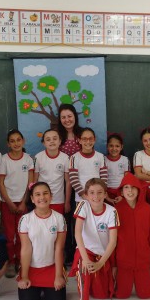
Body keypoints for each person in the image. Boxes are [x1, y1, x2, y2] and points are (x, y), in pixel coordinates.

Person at [70, 178, 119, 300]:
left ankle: (91, 282)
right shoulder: (83, 205)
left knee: (102, 294)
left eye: (99, 192)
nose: (95, 196)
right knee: (84, 267)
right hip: (85, 250)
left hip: (101, 255)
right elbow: (77, 233)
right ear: (86, 195)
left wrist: (101, 263)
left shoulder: (112, 211)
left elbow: (113, 241)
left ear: (105, 194)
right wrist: (85, 259)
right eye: (91, 193)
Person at [17, 182, 67, 300]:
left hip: (52, 267)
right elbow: (26, 249)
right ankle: (38, 290)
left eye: (45, 193)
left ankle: (46, 290)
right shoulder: (25, 219)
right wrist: (24, 276)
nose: (42, 197)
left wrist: (58, 276)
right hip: (31, 268)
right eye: (37, 194)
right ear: (32, 199)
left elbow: (59, 249)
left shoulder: (59, 218)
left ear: (51, 196)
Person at [113, 172, 150, 299]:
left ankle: (149, 279)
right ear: (121, 192)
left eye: (133, 187)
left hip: (143, 261)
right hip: (123, 262)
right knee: (121, 295)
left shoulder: (147, 209)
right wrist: (114, 265)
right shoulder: (116, 210)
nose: (130, 191)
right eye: (126, 187)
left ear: (138, 190)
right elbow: (112, 241)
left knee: (146, 295)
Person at [0, 129, 34, 278]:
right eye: (12, 141)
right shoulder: (4, 159)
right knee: (8, 235)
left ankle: (20, 259)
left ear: (23, 141)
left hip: (22, 203)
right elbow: (1, 183)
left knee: (21, 234)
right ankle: (10, 261)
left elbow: (30, 183)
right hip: (7, 203)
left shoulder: (28, 159)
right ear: (8, 144)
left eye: (18, 140)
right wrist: (9, 203)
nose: (16, 143)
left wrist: (24, 202)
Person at [57, 104, 82, 264]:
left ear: (75, 116)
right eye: (63, 117)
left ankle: (81, 251)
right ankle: (68, 252)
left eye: (69, 116)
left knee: (79, 219)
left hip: (81, 184)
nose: (67, 120)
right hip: (63, 185)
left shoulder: (82, 134)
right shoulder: (57, 136)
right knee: (65, 219)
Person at [33, 129, 71, 215]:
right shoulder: (38, 157)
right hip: (41, 200)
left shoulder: (65, 158)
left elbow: (68, 181)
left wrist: (67, 202)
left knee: (57, 222)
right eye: (48, 139)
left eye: (55, 138)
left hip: (58, 200)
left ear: (59, 141)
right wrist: (35, 199)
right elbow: (34, 181)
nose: (52, 141)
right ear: (44, 143)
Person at [69, 127, 108, 202]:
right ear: (79, 140)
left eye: (91, 138)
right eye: (84, 139)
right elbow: (73, 179)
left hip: (97, 198)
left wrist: (100, 193)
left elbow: (104, 178)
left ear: (94, 140)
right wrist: (83, 195)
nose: (88, 141)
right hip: (81, 199)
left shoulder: (100, 156)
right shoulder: (74, 158)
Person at [105, 133, 131, 203]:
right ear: (107, 146)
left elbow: (127, 178)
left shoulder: (125, 160)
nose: (114, 149)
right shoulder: (103, 160)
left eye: (117, 146)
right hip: (106, 192)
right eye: (111, 146)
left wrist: (122, 194)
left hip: (121, 191)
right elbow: (100, 178)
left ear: (121, 147)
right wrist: (106, 196)